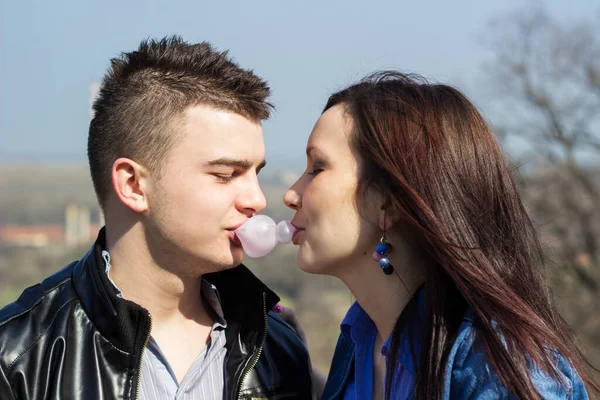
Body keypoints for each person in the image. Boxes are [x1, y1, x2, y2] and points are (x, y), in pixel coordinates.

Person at [0, 36, 312, 400]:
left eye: (256, 173)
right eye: (225, 174)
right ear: (133, 185)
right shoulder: (17, 361)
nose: (257, 200)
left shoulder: (279, 350)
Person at [282, 71, 598, 399]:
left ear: (387, 203)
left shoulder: (496, 367)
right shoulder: (359, 335)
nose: (291, 195)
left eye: (317, 168)